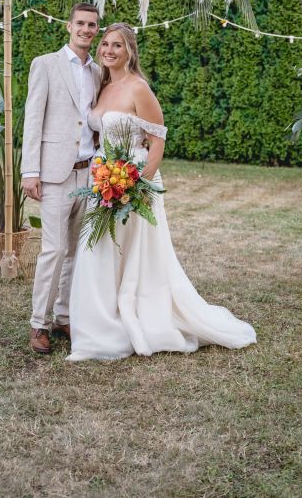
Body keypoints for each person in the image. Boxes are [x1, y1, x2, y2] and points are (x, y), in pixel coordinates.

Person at [67, 23, 256, 361]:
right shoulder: (103, 84)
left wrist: (136, 185)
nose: (109, 50)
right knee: (98, 250)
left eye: (118, 46)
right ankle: (98, 326)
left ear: (130, 52)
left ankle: (136, 319)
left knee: (133, 256)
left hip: (132, 182)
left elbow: (157, 141)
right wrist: (106, 177)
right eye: (106, 44)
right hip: (103, 179)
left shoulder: (139, 88)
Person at [22, 3, 101, 354]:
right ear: (69, 26)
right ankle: (38, 323)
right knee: (53, 250)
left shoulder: (98, 72)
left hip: (87, 174)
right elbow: (33, 120)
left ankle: (63, 317)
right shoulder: (46, 65)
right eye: (81, 23)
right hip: (53, 175)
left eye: (92, 25)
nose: (86, 29)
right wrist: (30, 171)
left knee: (75, 252)